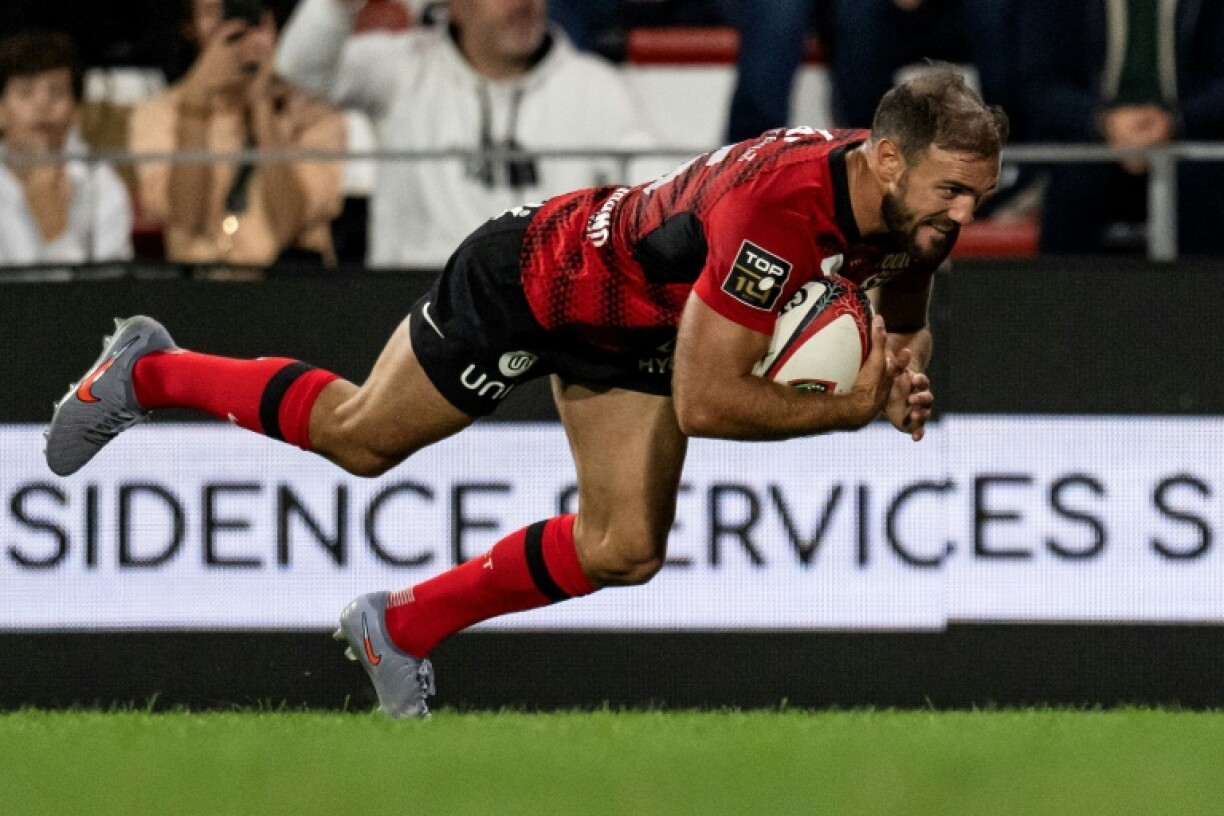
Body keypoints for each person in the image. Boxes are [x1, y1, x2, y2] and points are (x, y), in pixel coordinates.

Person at [45, 67, 1007, 718]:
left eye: (980, 196)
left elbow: (911, 267)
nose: (967, 215)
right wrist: (850, 406)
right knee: (360, 439)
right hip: (534, 281)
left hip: (633, 326)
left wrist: (902, 349)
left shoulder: (898, 197)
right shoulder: (777, 215)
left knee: (626, 549)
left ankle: (401, 625)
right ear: (889, 157)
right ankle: (147, 367)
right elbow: (708, 402)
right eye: (955, 193)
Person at [274, 0, 663, 268]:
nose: (524, 4)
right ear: (457, 6)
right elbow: (300, 69)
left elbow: (658, 192)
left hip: (548, 313)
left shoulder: (596, 86)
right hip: (411, 305)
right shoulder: (403, 67)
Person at [128, 0, 347, 267]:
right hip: (200, 290)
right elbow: (185, 220)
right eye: (212, 11)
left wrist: (262, 106)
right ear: (189, 27)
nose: (228, 25)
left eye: (238, 9)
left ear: (267, 22)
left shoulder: (313, 113)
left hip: (290, 288)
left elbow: (289, 227)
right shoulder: (158, 113)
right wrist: (196, 103)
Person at [1014, 0, 1224, 255]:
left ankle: (1204, 294)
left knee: (1204, 185)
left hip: (1193, 137)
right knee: (1076, 183)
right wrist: (1104, 122)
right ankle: (1064, 293)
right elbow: (1040, 84)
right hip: (1088, 139)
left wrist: (1176, 120)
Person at [0, 30, 132, 266]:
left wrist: (55, 231)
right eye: (25, 92)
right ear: (1, 111)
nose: (42, 105)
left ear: (76, 112)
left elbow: (109, 296)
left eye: (56, 92)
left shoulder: (102, 185)